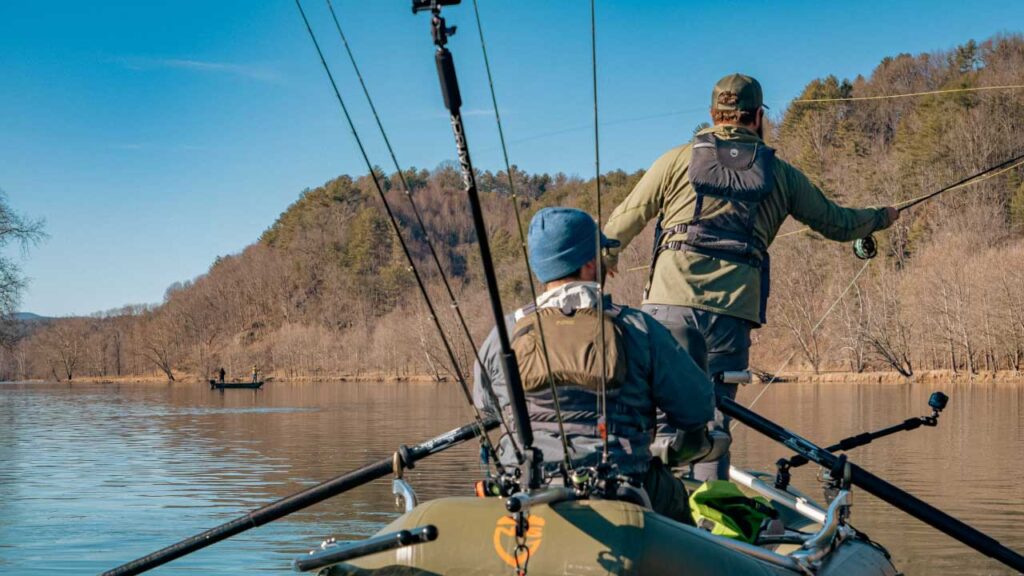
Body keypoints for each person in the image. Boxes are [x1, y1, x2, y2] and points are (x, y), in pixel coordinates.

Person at [602, 73, 900, 482]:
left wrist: (602, 258)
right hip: (731, 316)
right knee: (713, 423)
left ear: (712, 114)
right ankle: (707, 522)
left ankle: (652, 511)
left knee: (657, 416)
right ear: (757, 116)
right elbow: (837, 222)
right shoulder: (782, 175)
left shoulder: (676, 160)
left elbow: (626, 218)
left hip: (667, 307)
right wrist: (881, 218)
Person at [473, 207, 719, 524]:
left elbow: (488, 408)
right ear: (589, 263)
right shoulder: (639, 328)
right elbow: (697, 409)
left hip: (522, 487)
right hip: (624, 488)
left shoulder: (502, 335)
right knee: (674, 496)